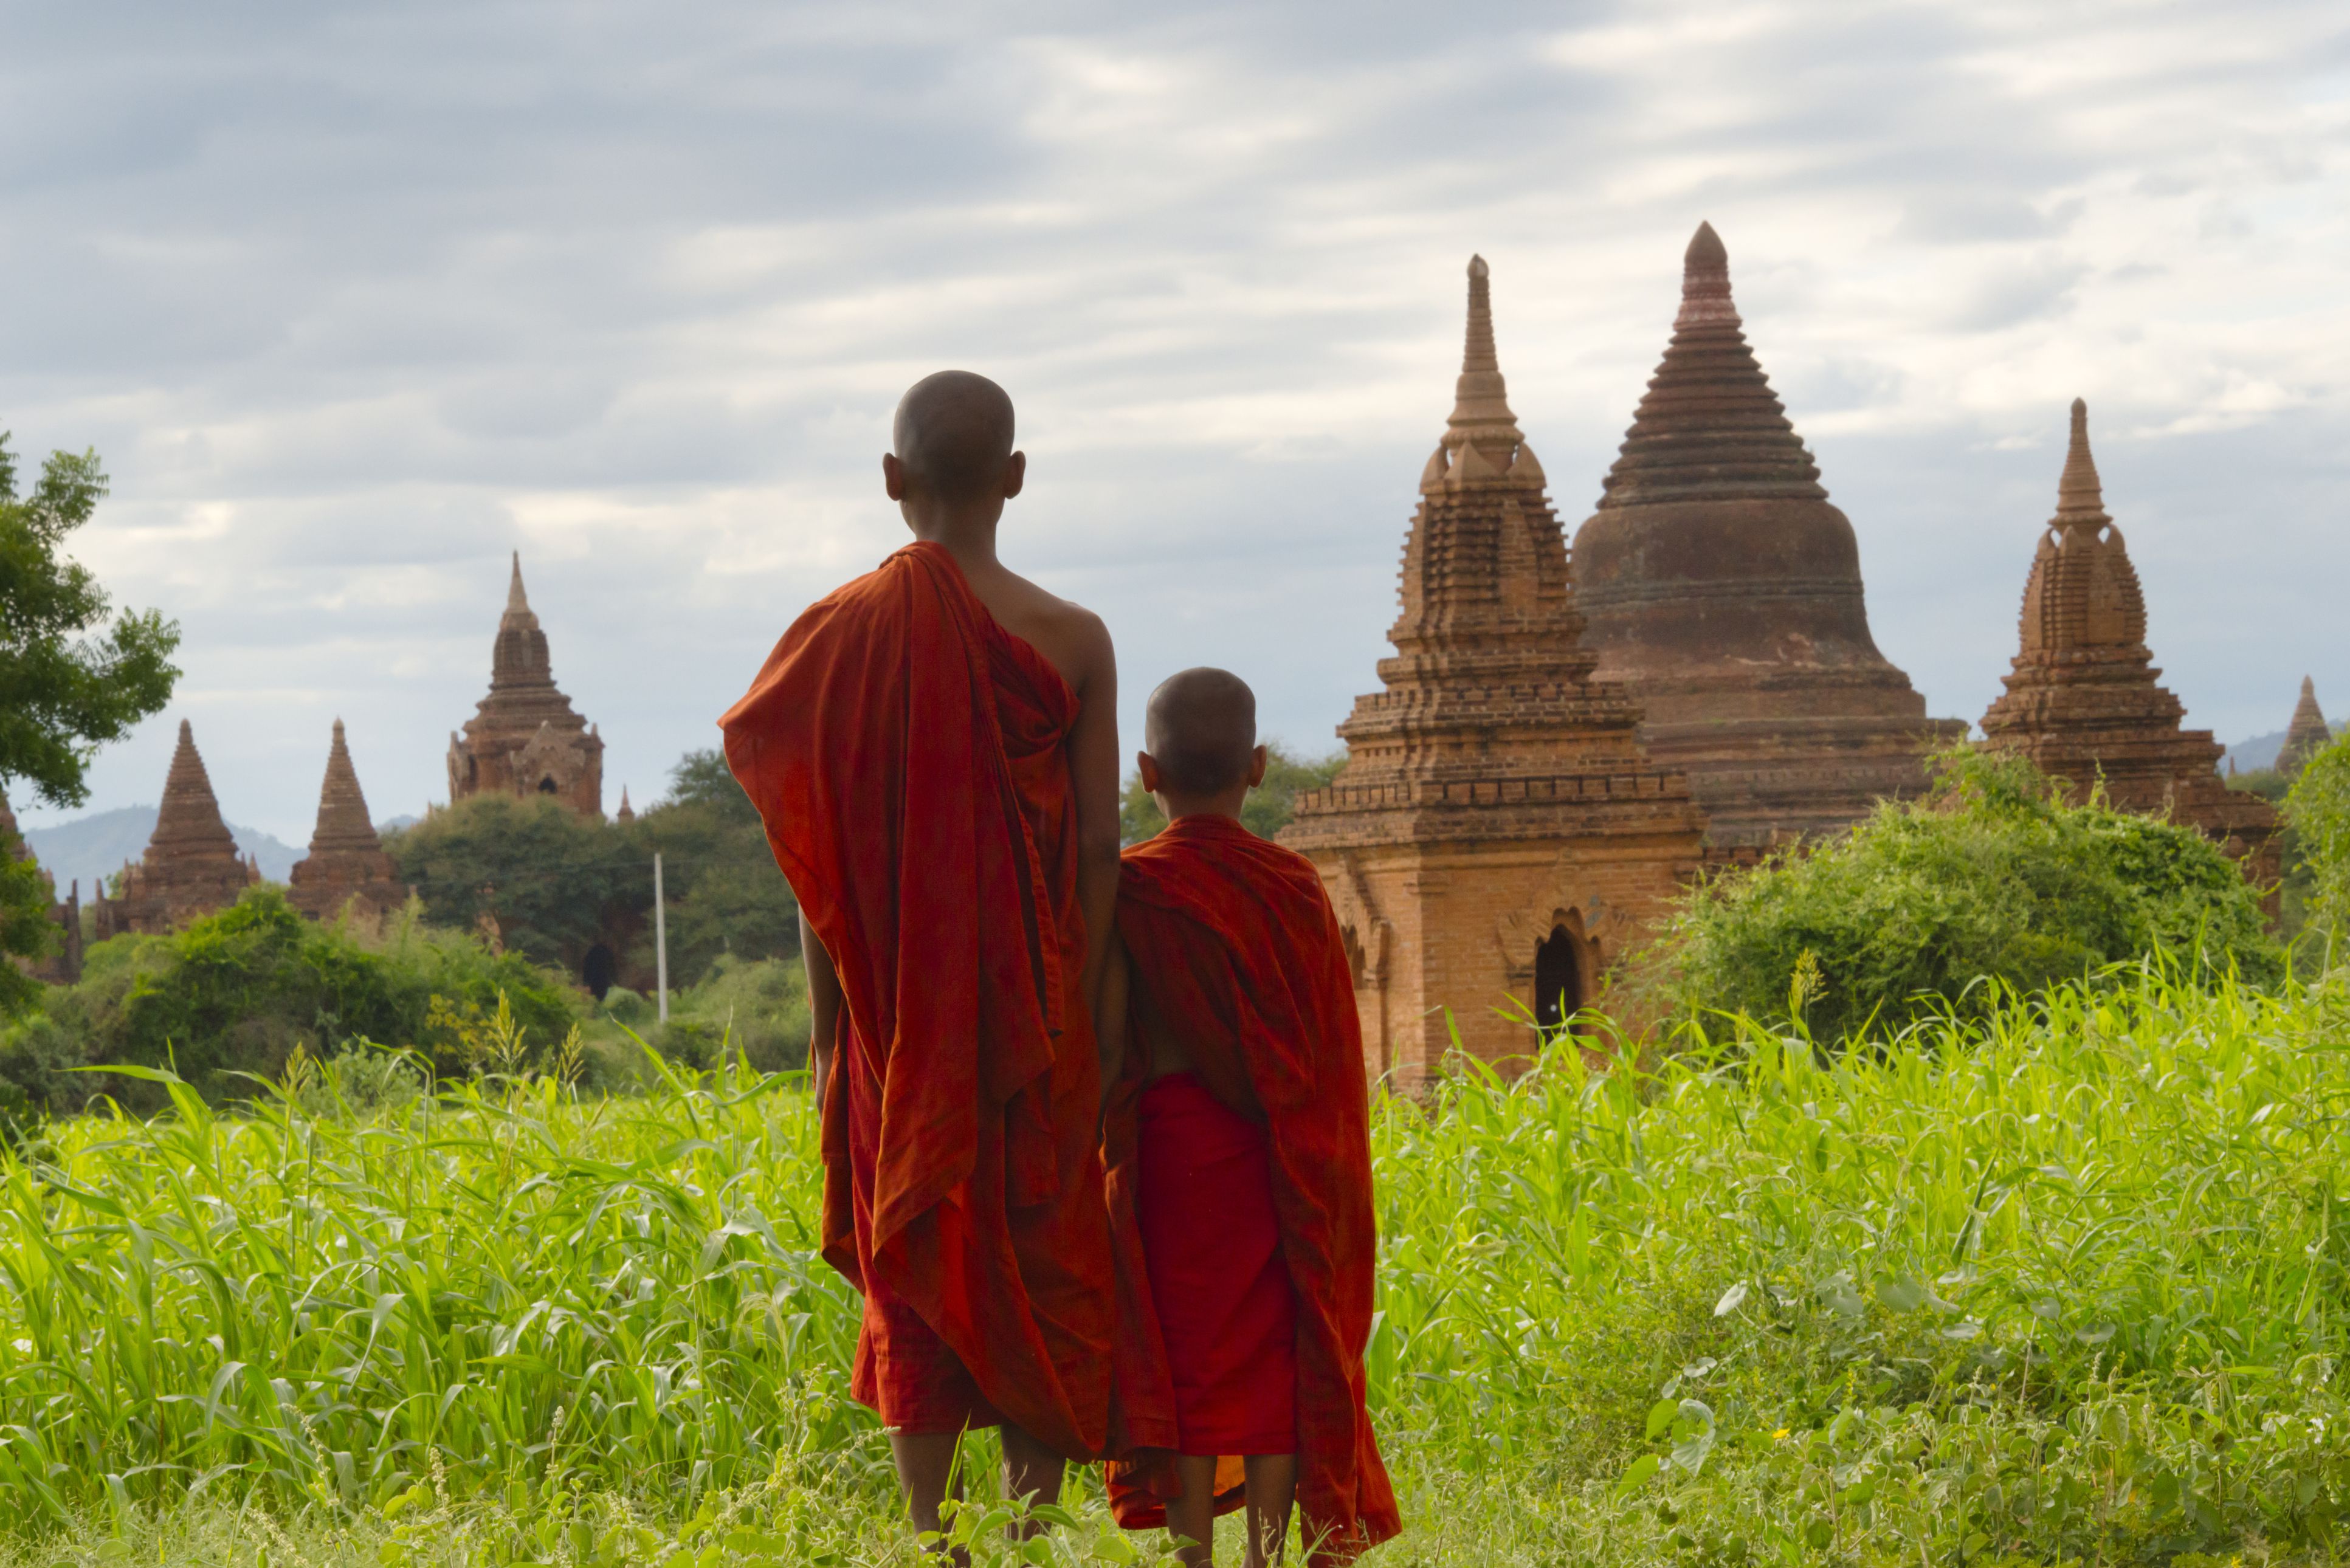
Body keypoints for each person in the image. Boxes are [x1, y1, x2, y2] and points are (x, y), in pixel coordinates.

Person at [720, 371, 1121, 1541]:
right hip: (1036, 1013)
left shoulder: (837, 636)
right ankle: (1027, 1541)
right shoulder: (1075, 638)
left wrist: (831, 1026)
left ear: (892, 483)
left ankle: (930, 1539)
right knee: (1037, 1258)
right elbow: (1101, 845)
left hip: (893, 1020)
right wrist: (1080, 1005)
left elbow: (817, 864)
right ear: (1015, 478)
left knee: (917, 1260)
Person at [1099, 669, 1399, 1567]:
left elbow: (1107, 1044)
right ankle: (1267, 1555)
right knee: (1278, 1350)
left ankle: (1194, 1556)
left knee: (1188, 1355)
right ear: (1260, 767)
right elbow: (1327, 1057)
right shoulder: (1293, 886)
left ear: (1146, 773)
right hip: (1279, 1160)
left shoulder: (1128, 889)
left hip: (1171, 1162)